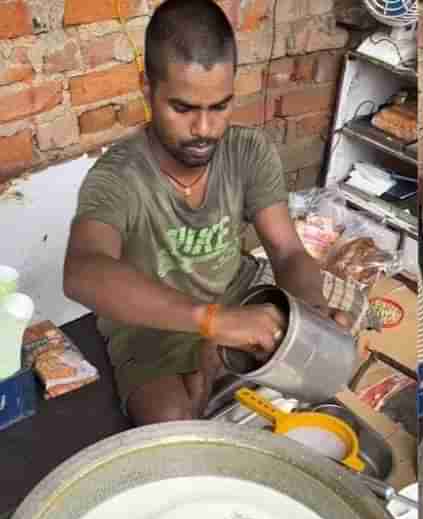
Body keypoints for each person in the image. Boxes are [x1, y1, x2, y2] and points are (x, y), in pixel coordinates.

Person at [62, 0, 362, 425]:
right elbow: (83, 271)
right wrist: (212, 322)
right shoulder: (118, 175)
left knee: (336, 354)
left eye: (218, 107)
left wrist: (308, 313)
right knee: (173, 425)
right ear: (147, 89)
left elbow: (288, 252)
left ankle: (218, 363)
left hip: (237, 294)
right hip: (153, 320)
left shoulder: (247, 151)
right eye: (183, 109)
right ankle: (208, 367)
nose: (204, 129)